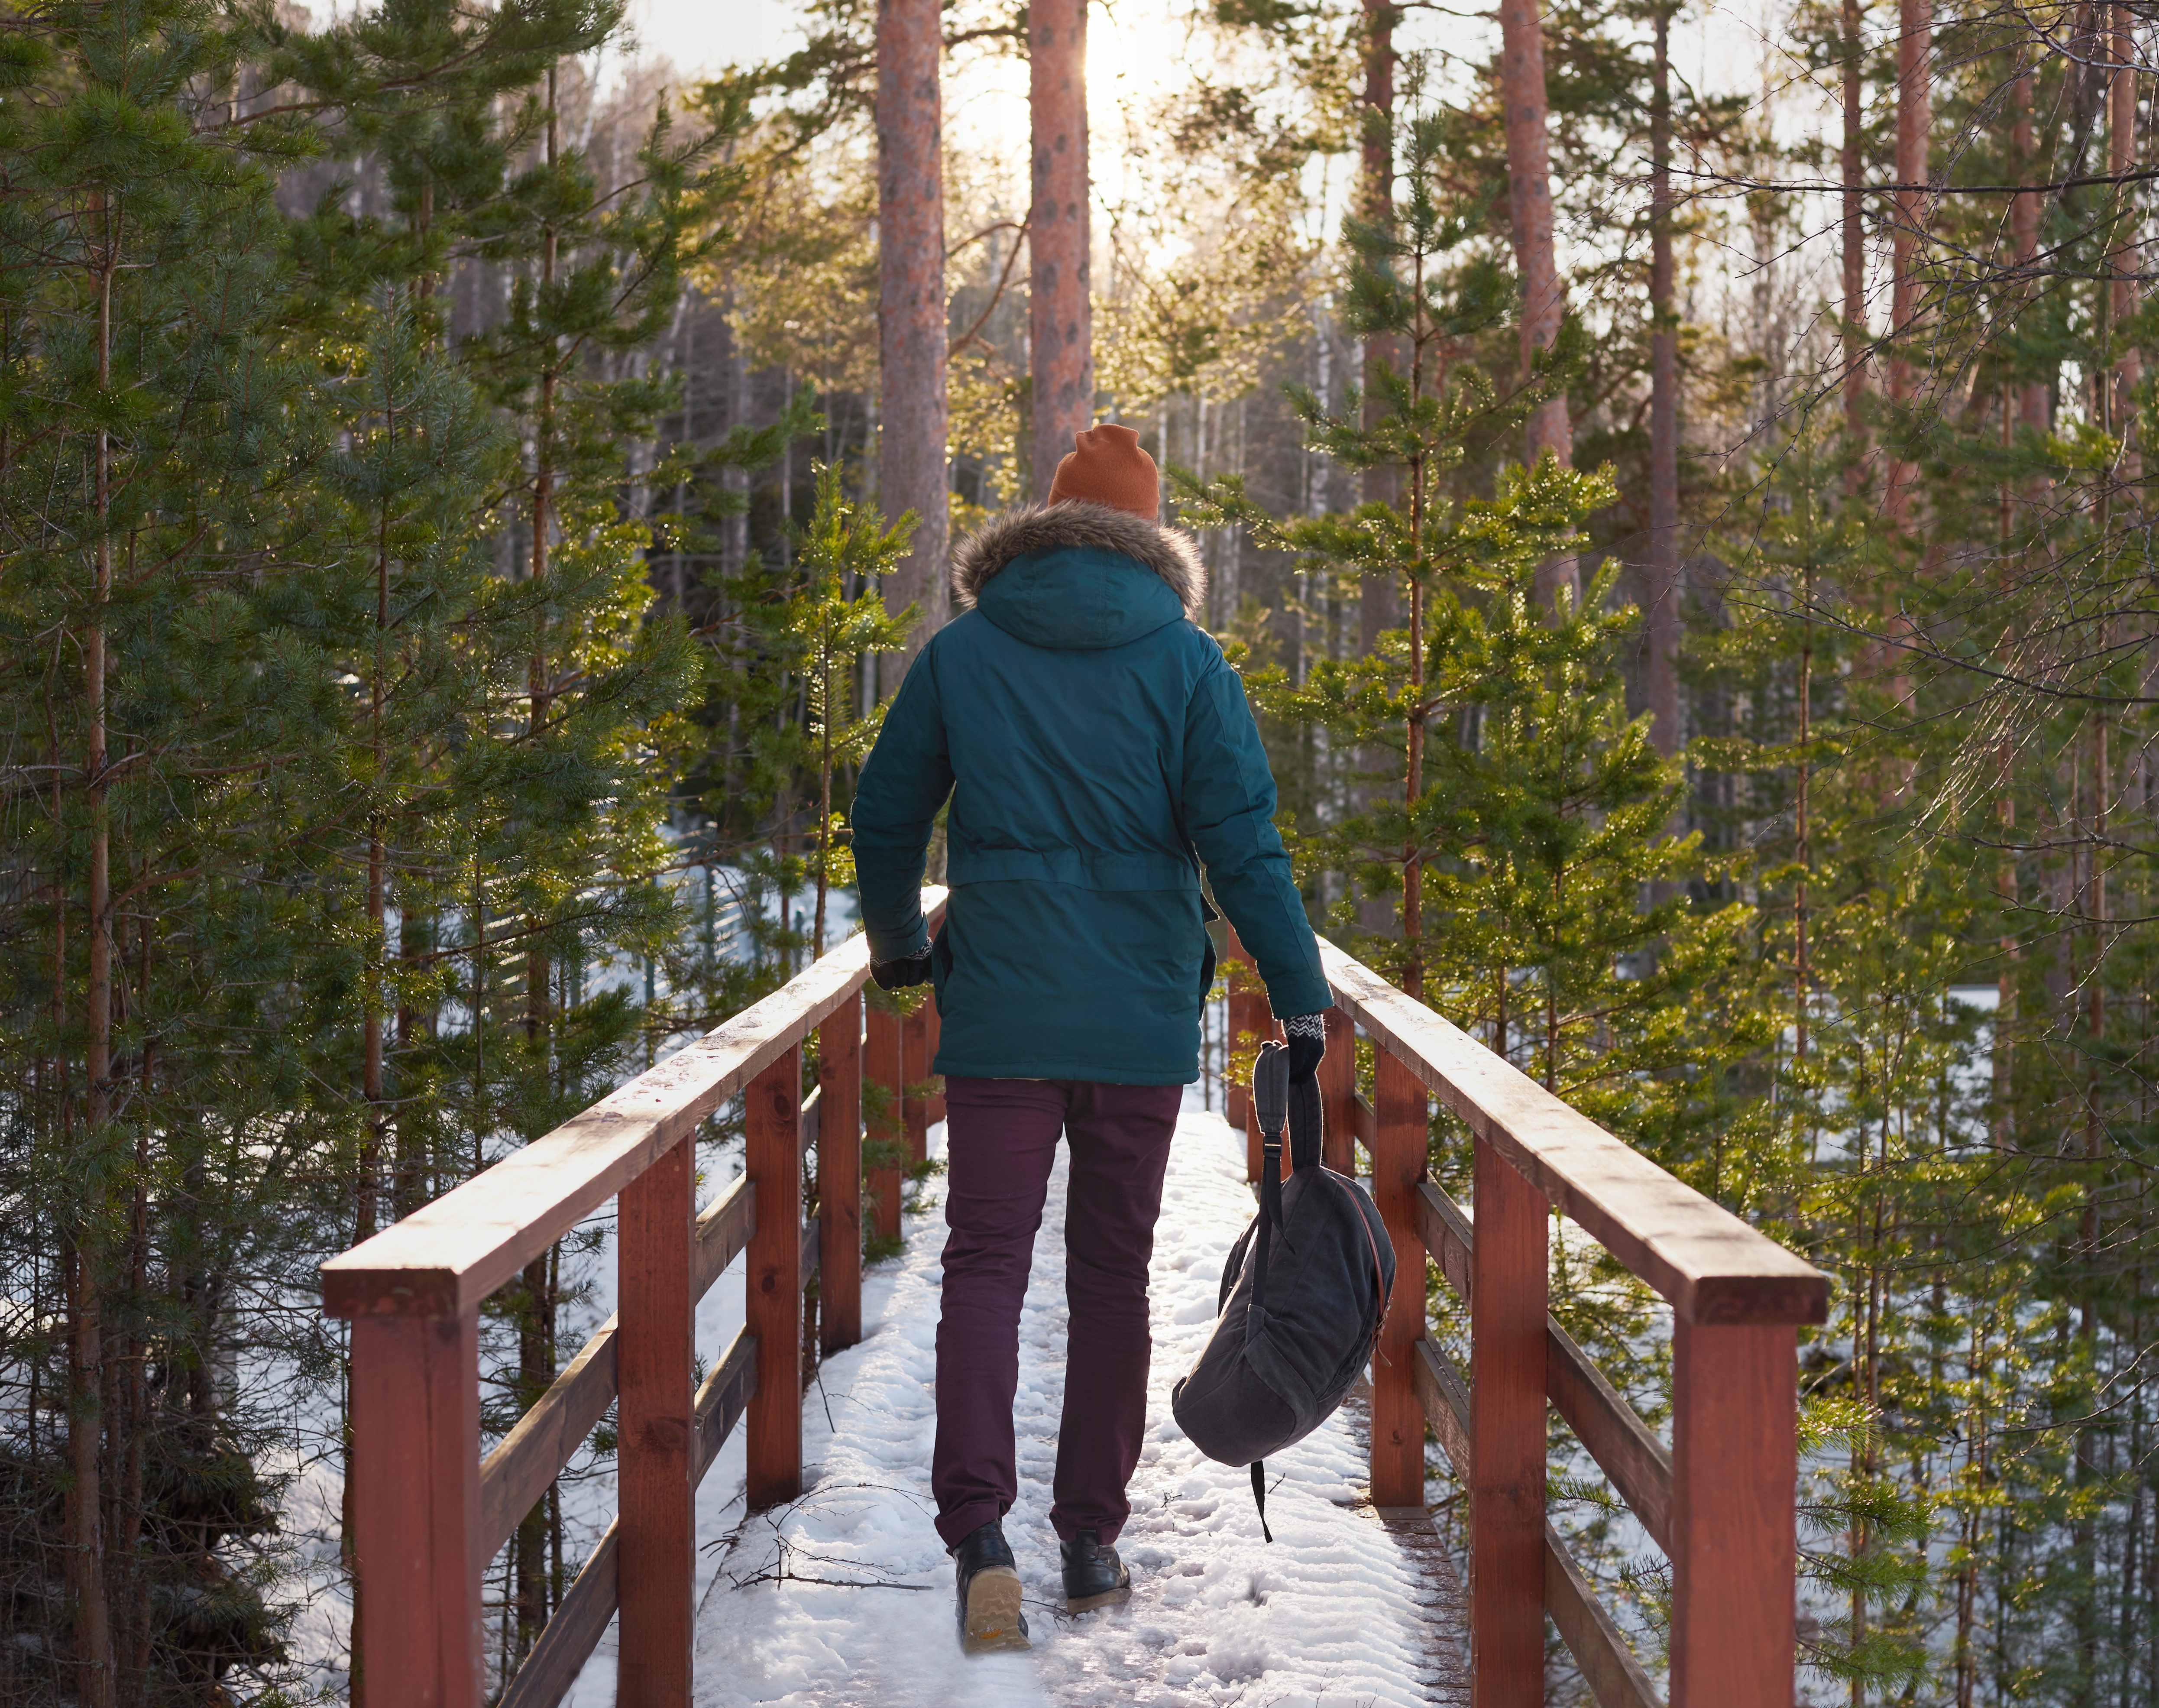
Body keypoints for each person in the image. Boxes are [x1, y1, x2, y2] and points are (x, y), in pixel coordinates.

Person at [850, 421, 1333, 1652]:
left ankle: (976, 1536)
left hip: (1004, 1001)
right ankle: (1090, 1536)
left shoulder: (963, 651)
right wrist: (1295, 986)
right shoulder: (1187, 663)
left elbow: (887, 810)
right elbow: (1242, 844)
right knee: (1109, 1276)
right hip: (1132, 1012)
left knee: (985, 1263)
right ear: (1148, 535)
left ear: (1048, 527)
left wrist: (901, 946)